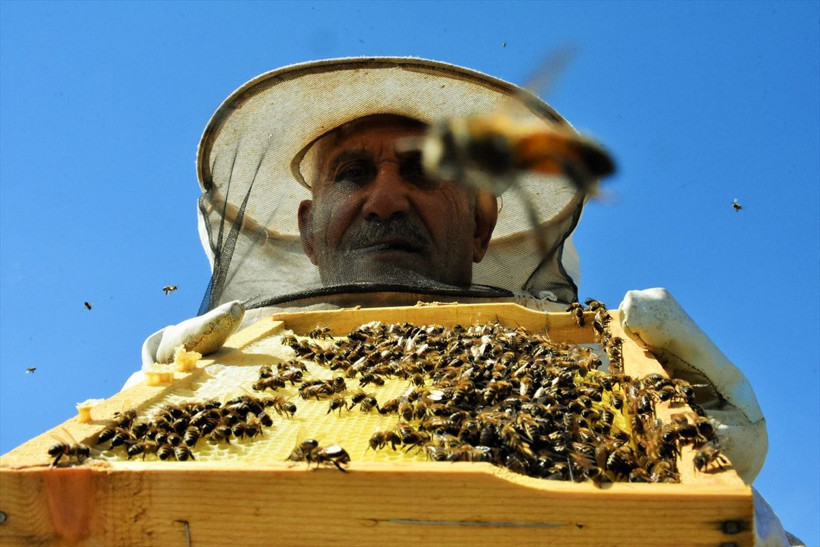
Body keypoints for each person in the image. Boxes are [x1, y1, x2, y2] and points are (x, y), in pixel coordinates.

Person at [137, 58, 797, 545]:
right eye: (353, 173)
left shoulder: (595, 380)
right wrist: (164, 413)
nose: (388, 199)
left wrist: (728, 498)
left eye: (423, 170)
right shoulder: (217, 380)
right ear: (309, 226)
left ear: (481, 221)